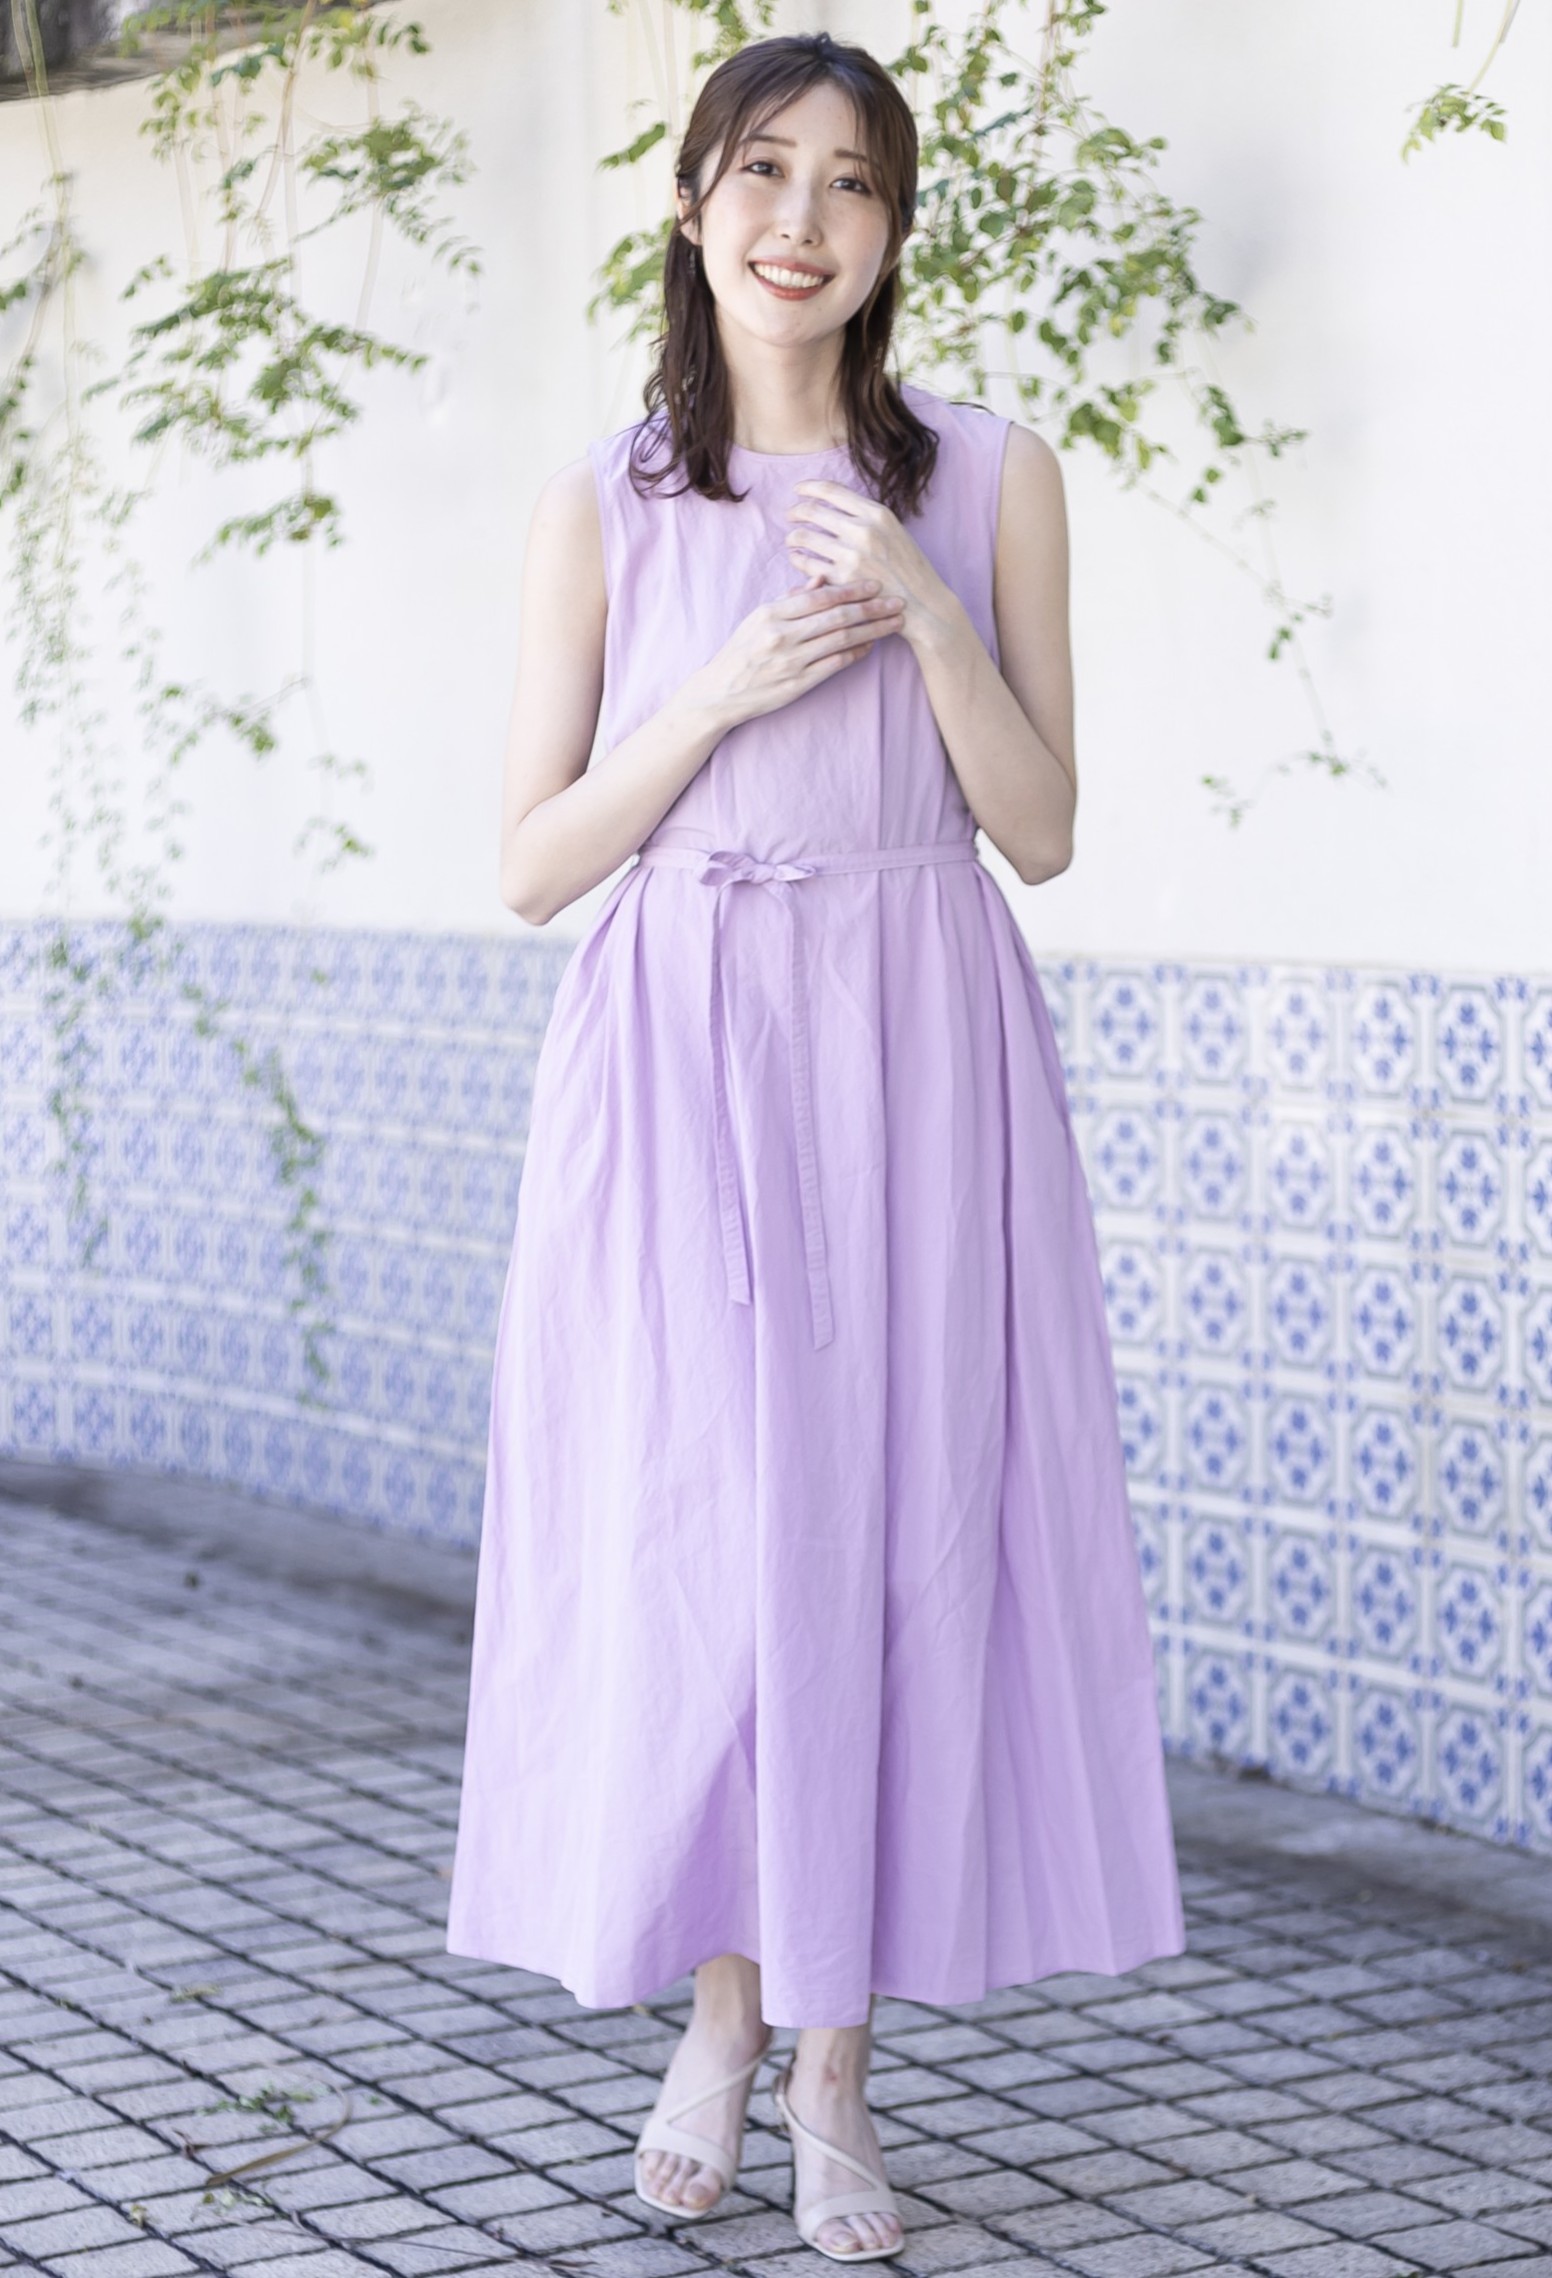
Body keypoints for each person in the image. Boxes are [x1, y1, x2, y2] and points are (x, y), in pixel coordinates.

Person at [445, 29, 1185, 2266]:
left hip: (914, 1045)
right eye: (760, 172)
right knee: (703, 1531)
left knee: (885, 1534)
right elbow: (530, 862)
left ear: (891, 232)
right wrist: (716, 694)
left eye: (850, 183)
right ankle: (720, 2012)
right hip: (680, 1054)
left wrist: (933, 617)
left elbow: (1040, 831)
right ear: (691, 206)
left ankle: (836, 2062)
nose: (800, 220)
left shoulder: (993, 472)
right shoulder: (603, 499)